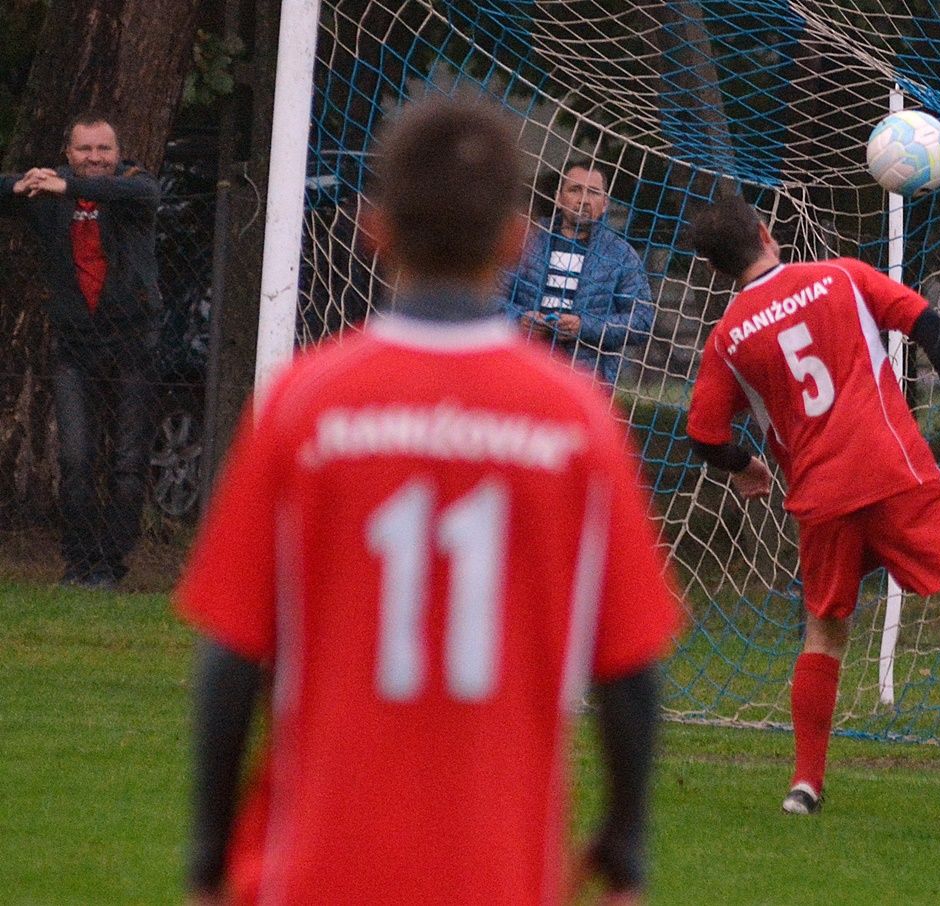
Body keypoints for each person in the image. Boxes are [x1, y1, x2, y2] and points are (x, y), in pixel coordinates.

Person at [175, 95, 681, 905]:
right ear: (518, 241)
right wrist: (622, 841)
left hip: (320, 870)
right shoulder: (576, 419)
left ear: (374, 229)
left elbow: (231, 659)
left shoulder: (306, 402)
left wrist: (209, 854)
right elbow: (628, 673)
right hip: (498, 873)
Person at [684, 195, 940, 816]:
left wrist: (745, 467)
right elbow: (925, 320)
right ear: (766, 232)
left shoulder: (729, 339)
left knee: (825, 631)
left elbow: (704, 434)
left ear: (715, 269)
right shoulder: (839, 275)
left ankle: (805, 785)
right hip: (894, 470)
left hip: (820, 498)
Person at [1, 113, 161, 588]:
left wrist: (65, 188)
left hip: (134, 343)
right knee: (76, 459)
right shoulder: (47, 196)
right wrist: (17, 185)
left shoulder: (133, 188)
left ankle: (111, 568)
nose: (96, 158)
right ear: (67, 154)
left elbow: (141, 194)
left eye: (104, 150)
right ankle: (79, 566)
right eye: (85, 150)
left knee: (129, 462)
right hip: (76, 347)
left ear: (118, 153)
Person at [503, 160, 655, 385]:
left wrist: (584, 326)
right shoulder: (526, 240)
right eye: (575, 190)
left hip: (587, 379)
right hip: (523, 369)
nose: (583, 200)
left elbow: (642, 321)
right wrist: (520, 318)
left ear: (605, 204)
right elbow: (487, 299)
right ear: (558, 197)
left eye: (593, 192)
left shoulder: (621, 255)